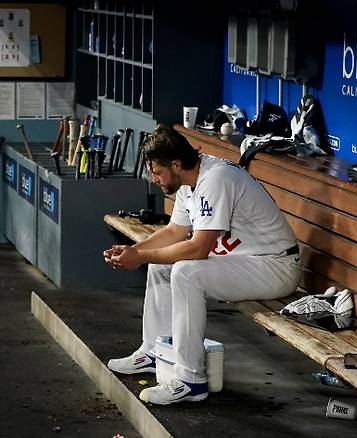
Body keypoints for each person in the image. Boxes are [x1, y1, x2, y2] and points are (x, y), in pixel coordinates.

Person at [103, 125, 301, 405]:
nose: (154, 179)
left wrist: (141, 257)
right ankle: (154, 351)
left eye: (158, 173)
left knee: (186, 272)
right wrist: (134, 250)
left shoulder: (216, 178)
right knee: (163, 264)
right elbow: (174, 232)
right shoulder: (190, 181)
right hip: (244, 261)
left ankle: (190, 380)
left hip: (274, 266)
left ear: (176, 164)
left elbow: (198, 248)